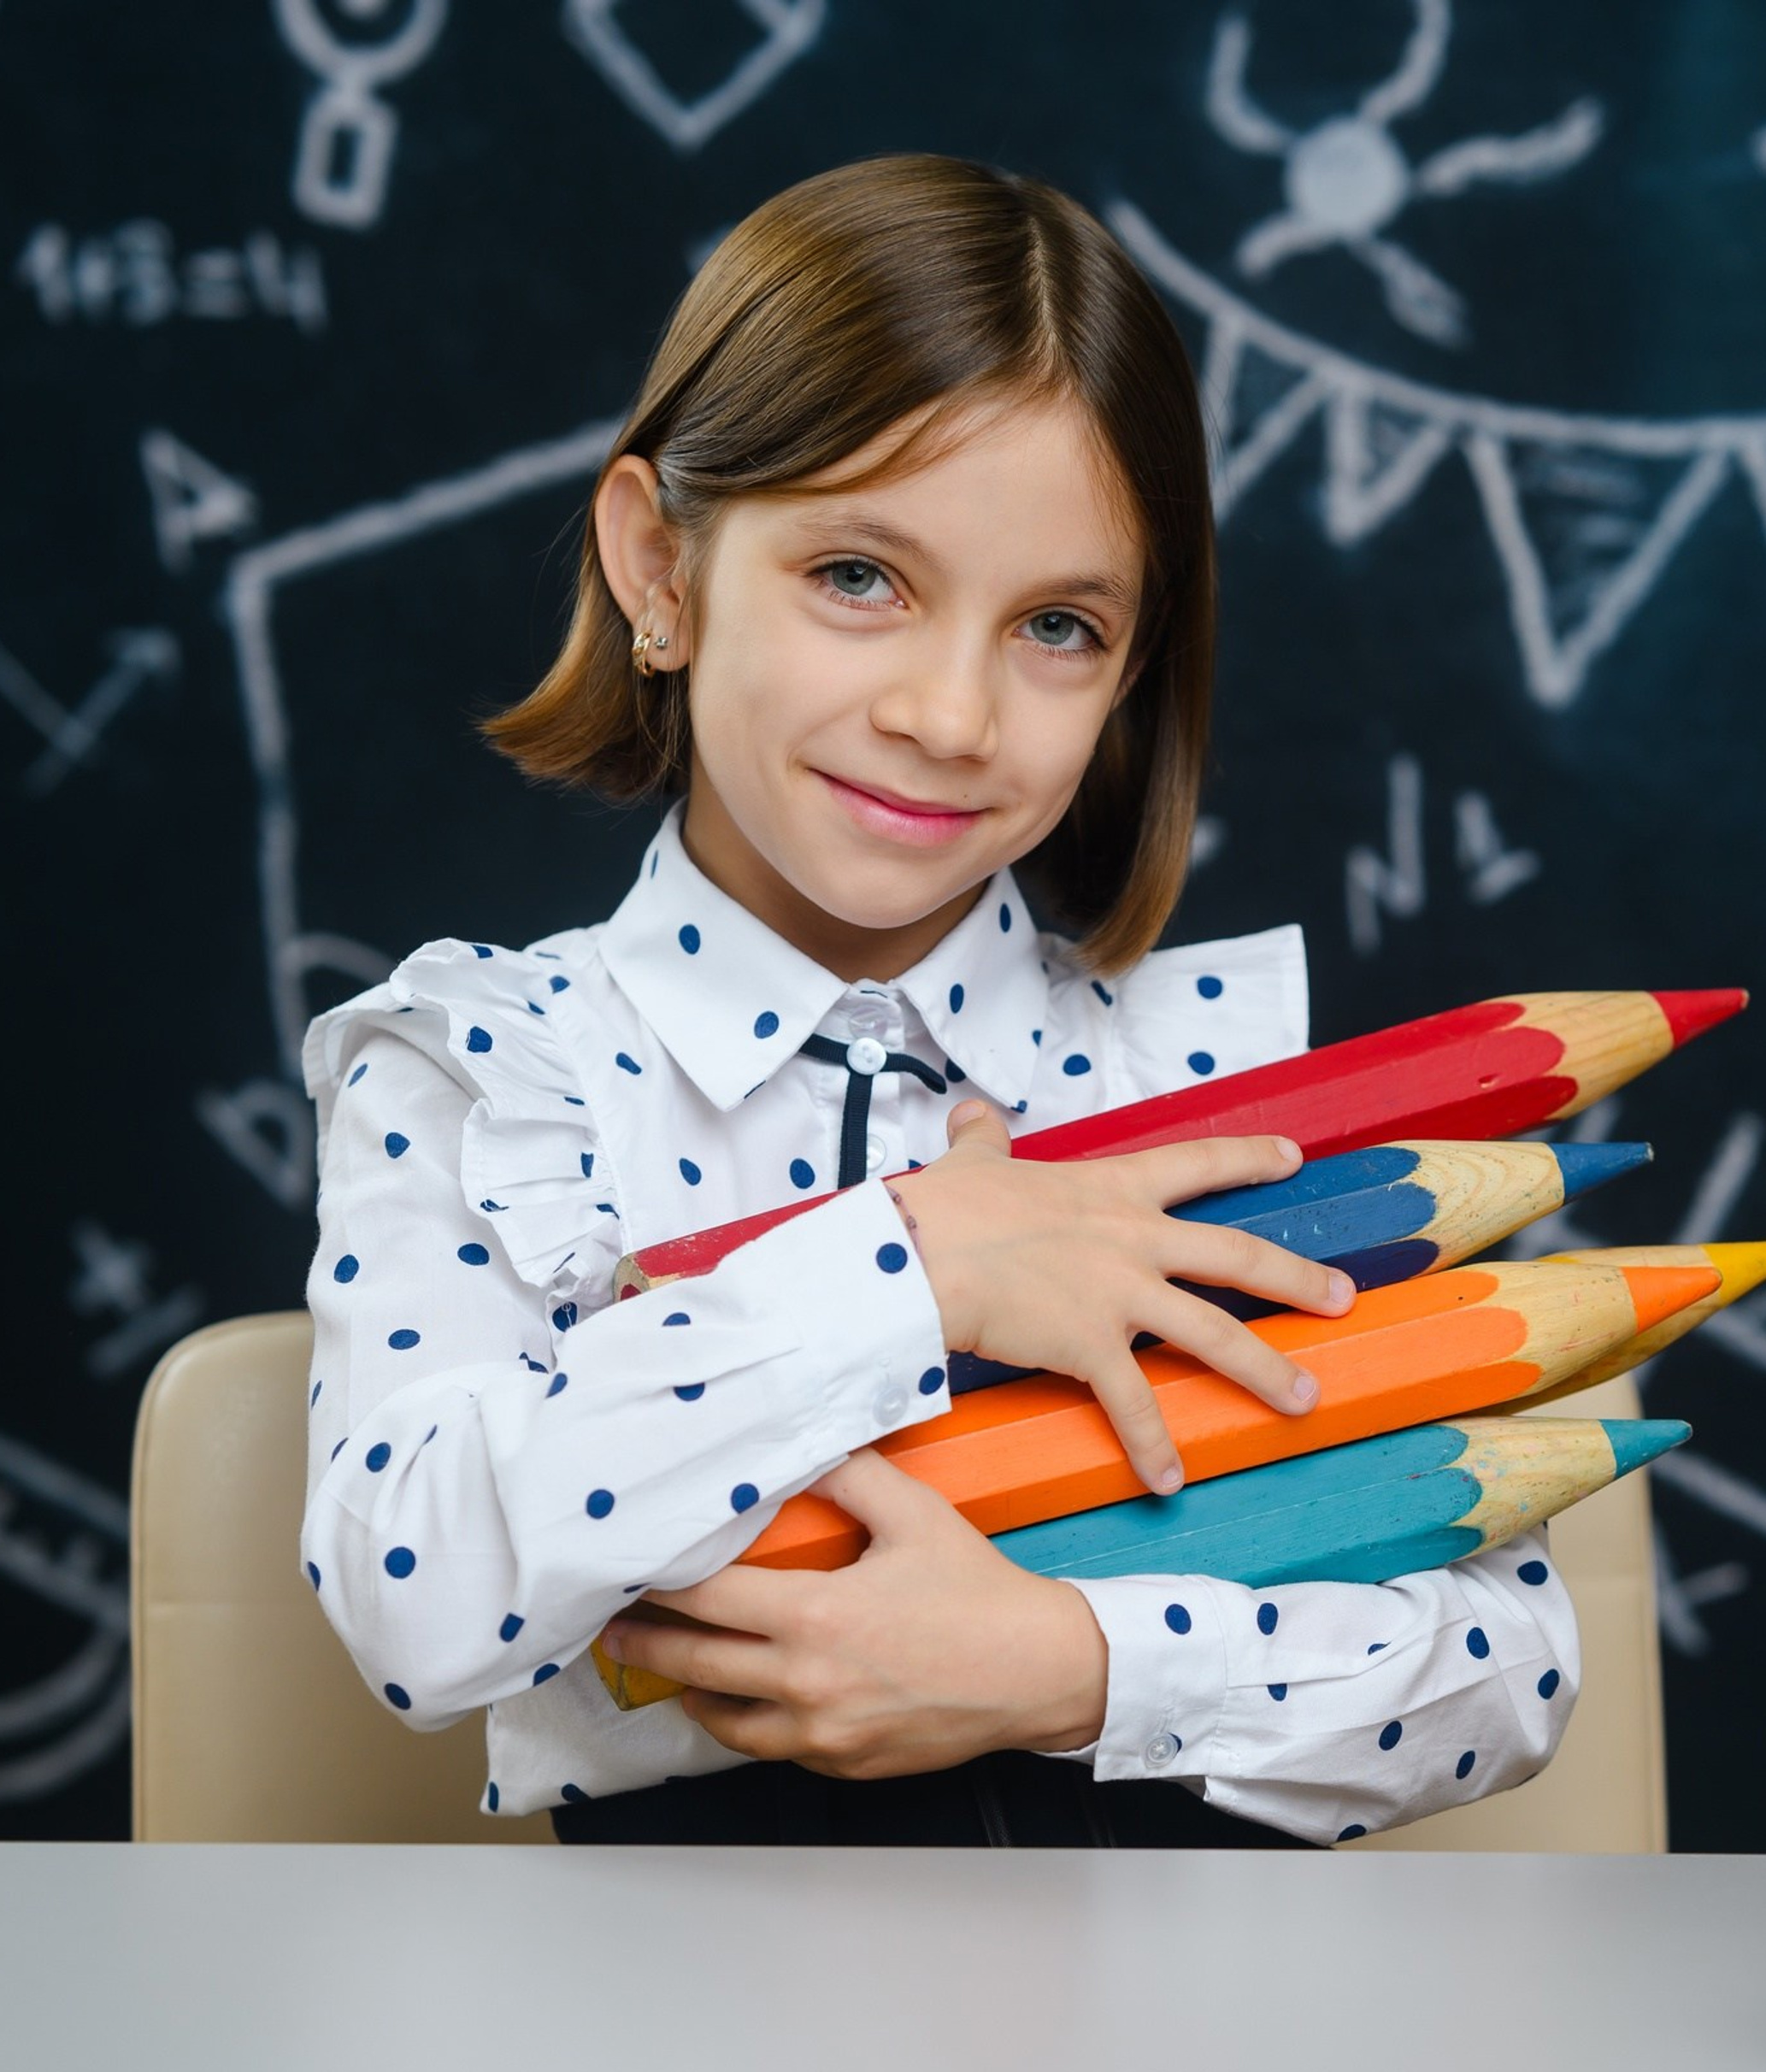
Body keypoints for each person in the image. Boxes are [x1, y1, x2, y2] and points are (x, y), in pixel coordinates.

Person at [298, 151, 1580, 1848]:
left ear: (1130, 673)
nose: (952, 713)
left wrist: (1079, 1662)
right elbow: (412, 1587)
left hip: (1164, 2031)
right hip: (649, 2041)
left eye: (1054, 624)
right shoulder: (487, 1070)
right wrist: (910, 1264)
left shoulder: (1228, 1074)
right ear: (660, 569)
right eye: (859, 578)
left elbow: (1510, 1657)